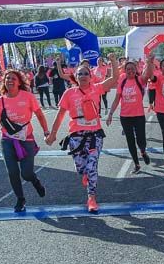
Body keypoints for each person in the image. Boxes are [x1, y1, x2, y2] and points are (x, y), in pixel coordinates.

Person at [46, 55, 118, 212]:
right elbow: (60, 115)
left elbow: (113, 80)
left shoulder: (97, 88)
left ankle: (91, 197)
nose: (83, 76)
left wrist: (113, 62)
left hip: (95, 134)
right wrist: (52, 135)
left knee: (92, 165)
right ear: (75, 77)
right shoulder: (69, 93)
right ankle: (85, 173)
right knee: (81, 167)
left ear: (90, 76)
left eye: (86, 73)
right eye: (80, 74)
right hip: (76, 135)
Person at [0, 69, 50, 212]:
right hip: (7, 139)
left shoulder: (28, 96)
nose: (10, 81)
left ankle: (35, 181)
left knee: (26, 173)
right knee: (12, 172)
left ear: (19, 82)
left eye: (13, 78)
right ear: (3, 82)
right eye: (7, 78)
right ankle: (20, 199)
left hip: (26, 139)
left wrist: (46, 131)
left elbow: (39, 114)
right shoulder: (0, 101)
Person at [106, 60, 151, 173]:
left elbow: (149, 74)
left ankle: (143, 151)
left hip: (139, 115)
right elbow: (117, 99)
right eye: (128, 69)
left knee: (141, 140)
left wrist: (150, 61)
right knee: (130, 141)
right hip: (125, 117)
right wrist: (110, 113)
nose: (130, 71)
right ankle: (136, 164)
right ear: (125, 71)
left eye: (132, 68)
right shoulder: (122, 80)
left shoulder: (140, 80)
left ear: (136, 70)